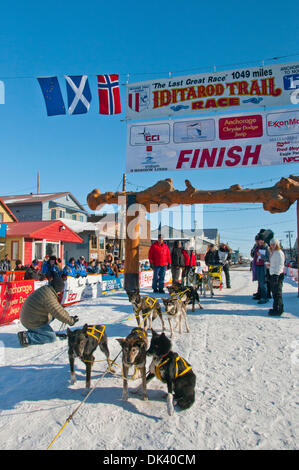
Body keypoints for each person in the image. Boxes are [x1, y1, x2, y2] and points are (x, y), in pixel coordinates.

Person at [17, 277, 79, 347]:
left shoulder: (47, 290)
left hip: (30, 316)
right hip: (31, 321)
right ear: (57, 289)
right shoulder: (48, 297)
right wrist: (71, 321)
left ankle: (41, 332)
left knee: (53, 315)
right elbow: (58, 311)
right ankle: (27, 337)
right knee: (51, 338)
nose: (60, 293)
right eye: (60, 291)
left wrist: (68, 317)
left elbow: (57, 309)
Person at [268, 238, 285, 316]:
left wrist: (276, 275)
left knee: (277, 293)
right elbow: (274, 264)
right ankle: (276, 308)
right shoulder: (273, 252)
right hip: (273, 273)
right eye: (271, 244)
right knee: (275, 293)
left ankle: (279, 309)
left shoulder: (279, 253)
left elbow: (280, 265)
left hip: (277, 275)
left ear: (277, 244)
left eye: (274, 244)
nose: (272, 246)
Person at [251, 234, 270, 304]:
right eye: (259, 240)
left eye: (262, 240)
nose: (260, 241)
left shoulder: (266, 247)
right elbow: (254, 255)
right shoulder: (257, 247)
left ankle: (264, 297)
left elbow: (268, 257)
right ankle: (261, 296)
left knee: (263, 282)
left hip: (263, 266)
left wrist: (261, 256)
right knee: (260, 282)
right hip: (257, 265)